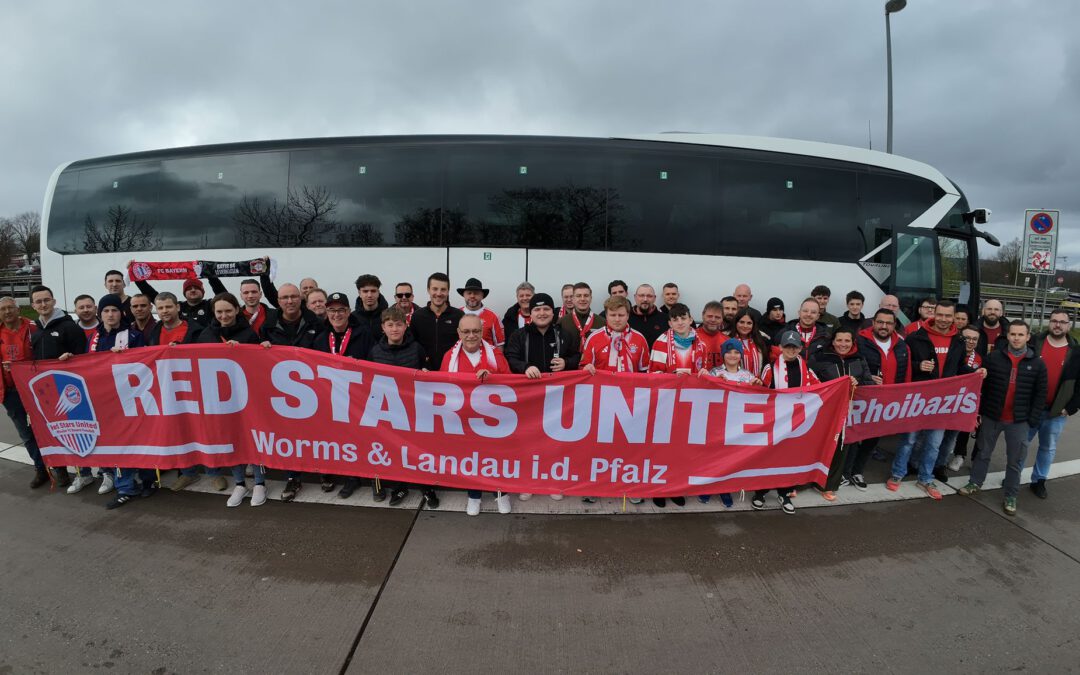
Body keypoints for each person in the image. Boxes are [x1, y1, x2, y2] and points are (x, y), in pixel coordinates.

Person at [959, 320, 1047, 516]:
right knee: (983, 452)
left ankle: (1011, 495)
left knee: (1015, 460)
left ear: (1028, 337)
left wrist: (1032, 420)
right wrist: (979, 412)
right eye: (1013, 334)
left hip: (1019, 421)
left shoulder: (1037, 363)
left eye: (1020, 335)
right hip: (992, 416)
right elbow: (983, 387)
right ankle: (975, 482)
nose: (1016, 338)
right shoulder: (994, 358)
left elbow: (1040, 394)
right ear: (1007, 336)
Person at [504, 292, 579, 502]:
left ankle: (553, 482)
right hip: (528, 399)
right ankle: (528, 482)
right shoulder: (519, 335)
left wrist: (567, 363)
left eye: (546, 309)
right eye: (537, 309)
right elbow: (510, 358)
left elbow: (577, 356)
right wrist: (525, 367)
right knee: (528, 442)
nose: (542, 313)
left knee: (555, 442)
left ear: (552, 312)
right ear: (531, 313)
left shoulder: (565, 334)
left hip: (558, 399)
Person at [887, 300, 964, 500]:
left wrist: (976, 372)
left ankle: (926, 478)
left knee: (934, 444)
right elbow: (903, 363)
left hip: (942, 403)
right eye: (940, 315)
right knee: (909, 440)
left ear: (953, 317)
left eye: (948, 316)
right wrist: (918, 365)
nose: (944, 319)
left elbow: (961, 369)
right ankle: (897, 474)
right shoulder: (916, 337)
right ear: (933, 314)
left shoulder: (959, 340)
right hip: (918, 400)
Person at [440, 315, 514, 516]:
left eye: (475, 331)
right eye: (466, 331)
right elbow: (442, 389)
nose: (471, 336)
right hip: (465, 421)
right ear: (459, 333)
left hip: (494, 420)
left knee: (496, 458)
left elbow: (512, 386)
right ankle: (474, 495)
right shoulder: (450, 357)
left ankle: (501, 493)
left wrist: (492, 377)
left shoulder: (495, 356)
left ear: (482, 332)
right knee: (470, 458)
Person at [195, 293, 264, 507]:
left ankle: (260, 483)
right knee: (231, 439)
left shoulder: (249, 334)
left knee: (252, 438)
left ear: (236, 310)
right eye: (219, 312)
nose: (224, 315)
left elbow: (260, 363)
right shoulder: (206, 335)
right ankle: (240, 483)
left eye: (228, 311)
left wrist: (241, 352)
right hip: (220, 398)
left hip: (247, 397)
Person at [581, 296, 650, 505]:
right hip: (601, 402)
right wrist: (586, 368)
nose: (617, 319)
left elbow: (647, 373)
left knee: (629, 447)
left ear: (628, 315)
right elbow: (584, 367)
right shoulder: (594, 338)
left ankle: (630, 486)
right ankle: (596, 486)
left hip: (631, 404)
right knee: (599, 446)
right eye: (613, 315)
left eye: (621, 315)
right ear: (606, 316)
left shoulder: (639, 339)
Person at [93, 294, 156, 509]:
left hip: (131, 397)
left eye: (114, 310)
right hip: (105, 399)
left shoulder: (133, 335)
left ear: (121, 313)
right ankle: (125, 486)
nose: (110, 315)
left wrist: (123, 357)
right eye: (106, 311)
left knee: (139, 440)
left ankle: (148, 480)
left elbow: (144, 364)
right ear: (100, 314)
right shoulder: (94, 338)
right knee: (117, 444)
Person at [312, 292, 376, 501]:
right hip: (329, 397)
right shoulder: (321, 337)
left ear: (349, 312)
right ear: (326, 312)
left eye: (341, 310)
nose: (336, 314)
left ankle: (357, 476)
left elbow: (373, 363)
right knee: (335, 438)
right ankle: (341, 473)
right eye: (332, 310)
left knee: (356, 438)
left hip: (357, 397)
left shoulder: (363, 334)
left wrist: (355, 365)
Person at [29, 285, 89, 488]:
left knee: (76, 431)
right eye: (38, 301)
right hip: (45, 390)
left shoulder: (70, 327)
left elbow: (83, 358)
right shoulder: (34, 330)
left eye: (46, 300)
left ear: (54, 301)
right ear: (33, 305)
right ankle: (60, 470)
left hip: (69, 390)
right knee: (51, 431)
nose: (43, 304)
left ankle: (84, 471)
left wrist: (71, 359)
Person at [755, 330, 820, 514]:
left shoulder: (806, 368)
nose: (791, 350)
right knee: (768, 457)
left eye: (795, 347)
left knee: (789, 459)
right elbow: (761, 393)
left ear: (800, 348)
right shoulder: (770, 367)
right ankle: (761, 492)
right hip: (774, 421)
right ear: (781, 347)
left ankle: (784, 493)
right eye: (788, 346)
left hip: (796, 422)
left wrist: (846, 383)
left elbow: (821, 388)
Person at [368, 306, 426, 506]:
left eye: (399, 324)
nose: (394, 329)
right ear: (383, 327)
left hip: (410, 411)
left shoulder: (416, 348)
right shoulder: (375, 351)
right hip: (383, 411)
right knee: (383, 448)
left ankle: (403, 486)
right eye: (390, 325)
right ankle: (380, 483)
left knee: (406, 449)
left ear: (405, 326)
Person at [808, 327, 872, 500]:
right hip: (824, 412)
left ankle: (829, 485)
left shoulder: (859, 359)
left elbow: (869, 383)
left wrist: (857, 382)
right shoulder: (819, 358)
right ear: (833, 341)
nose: (843, 344)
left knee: (840, 449)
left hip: (848, 413)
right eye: (839, 340)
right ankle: (805, 481)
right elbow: (810, 381)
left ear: (853, 342)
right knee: (816, 447)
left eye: (847, 341)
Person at [851, 308, 910, 488]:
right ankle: (844, 471)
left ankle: (857, 472)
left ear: (894, 325)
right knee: (852, 438)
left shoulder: (902, 346)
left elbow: (907, 375)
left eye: (889, 323)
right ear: (874, 323)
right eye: (880, 322)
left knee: (872, 440)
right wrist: (866, 380)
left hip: (885, 403)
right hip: (860, 400)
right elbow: (849, 365)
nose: (884, 326)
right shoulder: (859, 341)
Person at [1026, 310, 1080, 499]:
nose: (1058, 325)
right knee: (1021, 444)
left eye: (1062, 322)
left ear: (1069, 325)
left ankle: (1039, 480)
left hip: (1056, 412)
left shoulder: (1076, 351)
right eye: (1054, 321)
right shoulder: (1034, 343)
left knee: (1048, 447)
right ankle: (1013, 475)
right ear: (1049, 323)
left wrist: (1071, 407)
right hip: (1030, 408)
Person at [0, 296, 49, 488]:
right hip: (11, 392)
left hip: (35, 388)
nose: (7, 312)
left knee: (47, 427)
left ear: (18, 309)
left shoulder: (32, 327)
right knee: (25, 433)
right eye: (3, 309)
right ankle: (40, 468)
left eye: (10, 308)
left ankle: (60, 468)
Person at [944, 325, 984, 471]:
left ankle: (959, 455)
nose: (971, 341)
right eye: (967, 338)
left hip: (966, 399)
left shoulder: (979, 358)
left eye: (975, 339)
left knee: (964, 428)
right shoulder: (951, 351)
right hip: (946, 398)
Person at [412, 273, 465, 371]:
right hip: (424, 372)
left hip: (452, 371)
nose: (439, 293)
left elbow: (464, 344)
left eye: (443, 289)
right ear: (428, 290)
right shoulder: (417, 316)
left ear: (448, 291)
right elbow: (412, 345)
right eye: (435, 289)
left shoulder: (459, 316)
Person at [649, 303, 706, 379]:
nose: (680, 323)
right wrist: (672, 376)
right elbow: (653, 375)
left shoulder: (701, 345)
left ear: (690, 320)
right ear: (670, 323)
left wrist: (705, 372)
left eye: (683, 318)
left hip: (693, 389)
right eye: (675, 320)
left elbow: (705, 371)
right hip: (670, 389)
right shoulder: (660, 343)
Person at [135, 275, 215, 326]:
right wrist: (137, 277)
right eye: (189, 288)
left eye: (196, 288)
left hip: (206, 345)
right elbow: (154, 296)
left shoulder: (211, 304)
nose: (193, 290)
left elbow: (224, 296)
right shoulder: (177, 306)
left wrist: (212, 276)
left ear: (203, 291)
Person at [457, 277, 504, 347]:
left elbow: (499, 345)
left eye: (476, 293)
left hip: (487, 357)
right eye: (469, 293)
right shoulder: (456, 314)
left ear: (482, 296)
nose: (472, 296)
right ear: (464, 295)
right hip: (461, 357)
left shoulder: (493, 317)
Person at [557, 282, 603, 352]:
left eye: (586, 295)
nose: (582, 299)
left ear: (591, 298)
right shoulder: (562, 322)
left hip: (594, 362)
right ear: (573, 299)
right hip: (568, 362)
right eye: (578, 296)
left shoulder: (602, 322)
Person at [726, 308, 770, 378]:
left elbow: (766, 365)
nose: (745, 326)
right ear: (736, 322)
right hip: (734, 383)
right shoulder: (727, 339)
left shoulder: (763, 340)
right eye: (742, 322)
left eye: (749, 323)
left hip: (757, 384)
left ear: (753, 325)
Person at [353, 274, 389, 339]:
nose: (369, 295)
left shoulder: (390, 316)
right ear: (359, 293)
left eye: (373, 291)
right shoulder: (352, 318)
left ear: (378, 292)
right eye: (365, 291)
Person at [697, 301, 727, 372]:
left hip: (719, 381)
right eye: (709, 316)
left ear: (722, 319)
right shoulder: (691, 337)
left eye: (717, 317)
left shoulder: (727, 341)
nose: (713, 320)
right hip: (698, 380)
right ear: (703, 315)